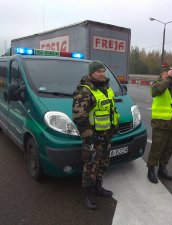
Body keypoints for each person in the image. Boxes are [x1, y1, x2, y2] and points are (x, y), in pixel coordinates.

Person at [72, 60, 119, 210]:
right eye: (99, 71)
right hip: (93, 137)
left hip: (106, 135)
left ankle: (98, 186)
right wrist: (89, 136)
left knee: (103, 162)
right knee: (91, 165)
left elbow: (111, 110)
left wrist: (114, 127)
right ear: (91, 72)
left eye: (103, 71)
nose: (102, 74)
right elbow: (79, 117)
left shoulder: (107, 88)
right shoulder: (85, 91)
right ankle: (88, 193)